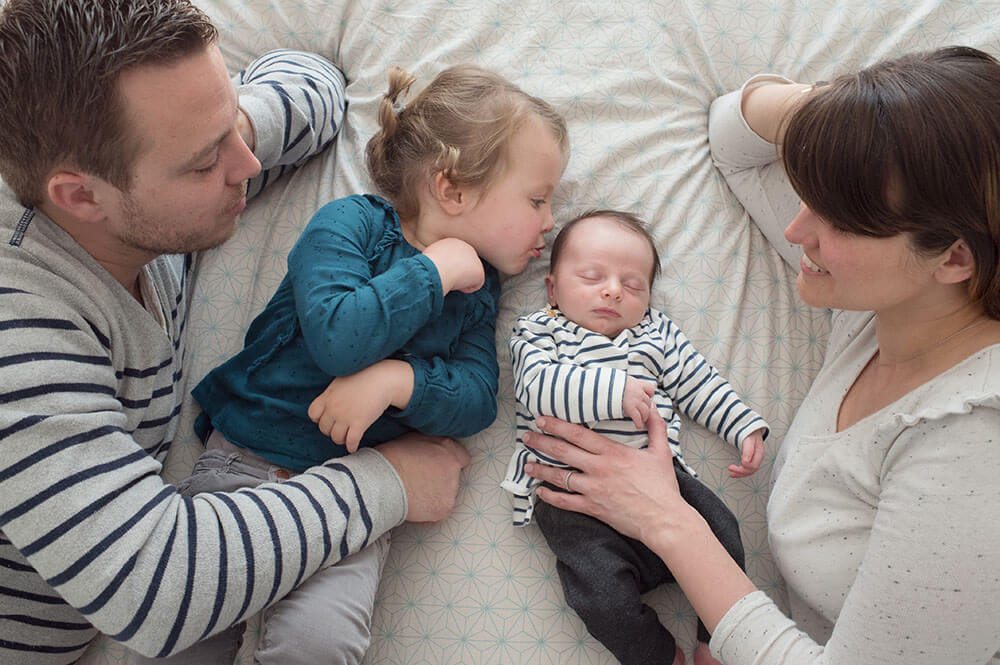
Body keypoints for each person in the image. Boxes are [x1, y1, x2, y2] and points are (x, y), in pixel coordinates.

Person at [0, 2, 472, 664]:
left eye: (233, 123)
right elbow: (156, 585)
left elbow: (314, 79)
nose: (248, 163)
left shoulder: (135, 195)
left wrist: (234, 120)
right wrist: (386, 482)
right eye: (203, 162)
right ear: (81, 198)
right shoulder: (19, 327)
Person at [521, 45, 1000, 665]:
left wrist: (666, 519)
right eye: (810, 193)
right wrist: (860, 125)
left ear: (954, 258)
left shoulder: (973, 447)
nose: (799, 230)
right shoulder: (880, 304)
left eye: (841, 219)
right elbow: (737, 138)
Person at [183, 63, 569, 662]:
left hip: (357, 498)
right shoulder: (353, 224)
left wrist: (400, 380)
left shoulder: (480, 292)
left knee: (321, 644)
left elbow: (476, 400)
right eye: (538, 199)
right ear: (452, 189)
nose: (550, 222)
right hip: (246, 460)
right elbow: (337, 336)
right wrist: (435, 271)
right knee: (188, 630)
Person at [501, 210, 767, 665]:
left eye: (633, 284)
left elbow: (699, 384)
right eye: (591, 276)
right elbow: (537, 387)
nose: (612, 290)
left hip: (665, 486)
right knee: (597, 595)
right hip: (576, 503)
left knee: (725, 532)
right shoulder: (539, 332)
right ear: (552, 289)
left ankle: (714, 643)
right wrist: (615, 391)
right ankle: (659, 655)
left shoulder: (657, 334)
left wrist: (742, 424)